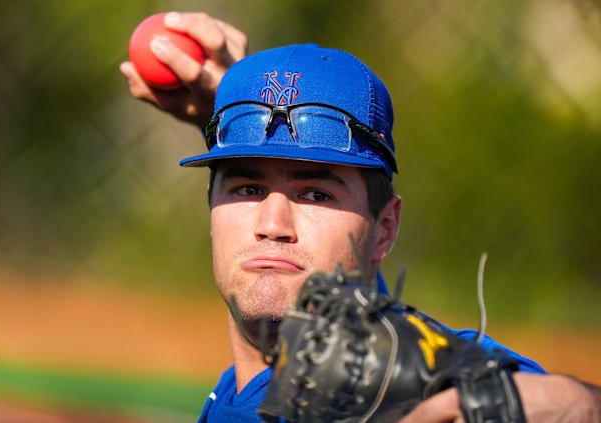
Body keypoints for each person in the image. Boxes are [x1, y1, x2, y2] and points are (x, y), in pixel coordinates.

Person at [120, 12, 601, 423]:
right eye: (248, 187)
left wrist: (577, 404)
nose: (272, 222)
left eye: (315, 193)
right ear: (212, 205)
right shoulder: (235, 393)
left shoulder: (431, 393)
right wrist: (237, 101)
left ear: (385, 229)